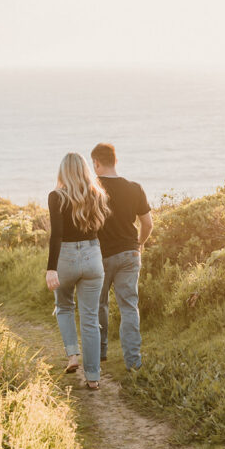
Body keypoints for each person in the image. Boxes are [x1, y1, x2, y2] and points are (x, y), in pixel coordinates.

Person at [46, 152, 110, 390]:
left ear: (63, 171)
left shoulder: (56, 197)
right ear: (85, 170)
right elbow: (102, 231)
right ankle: (93, 378)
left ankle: (72, 355)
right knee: (91, 319)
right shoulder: (98, 195)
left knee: (63, 306)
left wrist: (51, 268)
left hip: (66, 257)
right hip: (94, 256)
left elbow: (57, 235)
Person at [90, 142, 153, 370]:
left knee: (98, 305)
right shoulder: (134, 188)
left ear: (96, 163)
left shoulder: (92, 190)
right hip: (129, 253)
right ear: (116, 161)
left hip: (100, 256)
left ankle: (99, 353)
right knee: (129, 307)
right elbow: (148, 223)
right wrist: (139, 244)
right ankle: (133, 362)